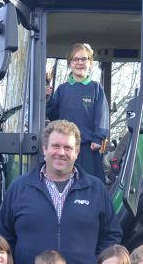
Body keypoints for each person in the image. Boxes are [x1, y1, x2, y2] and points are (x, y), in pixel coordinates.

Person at [0, 119, 121, 264]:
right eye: (55, 146)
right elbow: (3, 237)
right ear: (45, 149)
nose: (61, 153)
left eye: (68, 148)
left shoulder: (96, 189)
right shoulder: (20, 188)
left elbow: (111, 235)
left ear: (77, 152)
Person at [45, 42, 110, 182]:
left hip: (88, 148)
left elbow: (102, 114)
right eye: (75, 59)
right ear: (70, 63)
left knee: (89, 185)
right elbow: (53, 115)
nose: (79, 63)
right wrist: (47, 98)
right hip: (66, 148)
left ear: (90, 63)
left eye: (83, 59)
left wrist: (98, 138)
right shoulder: (62, 89)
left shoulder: (95, 88)